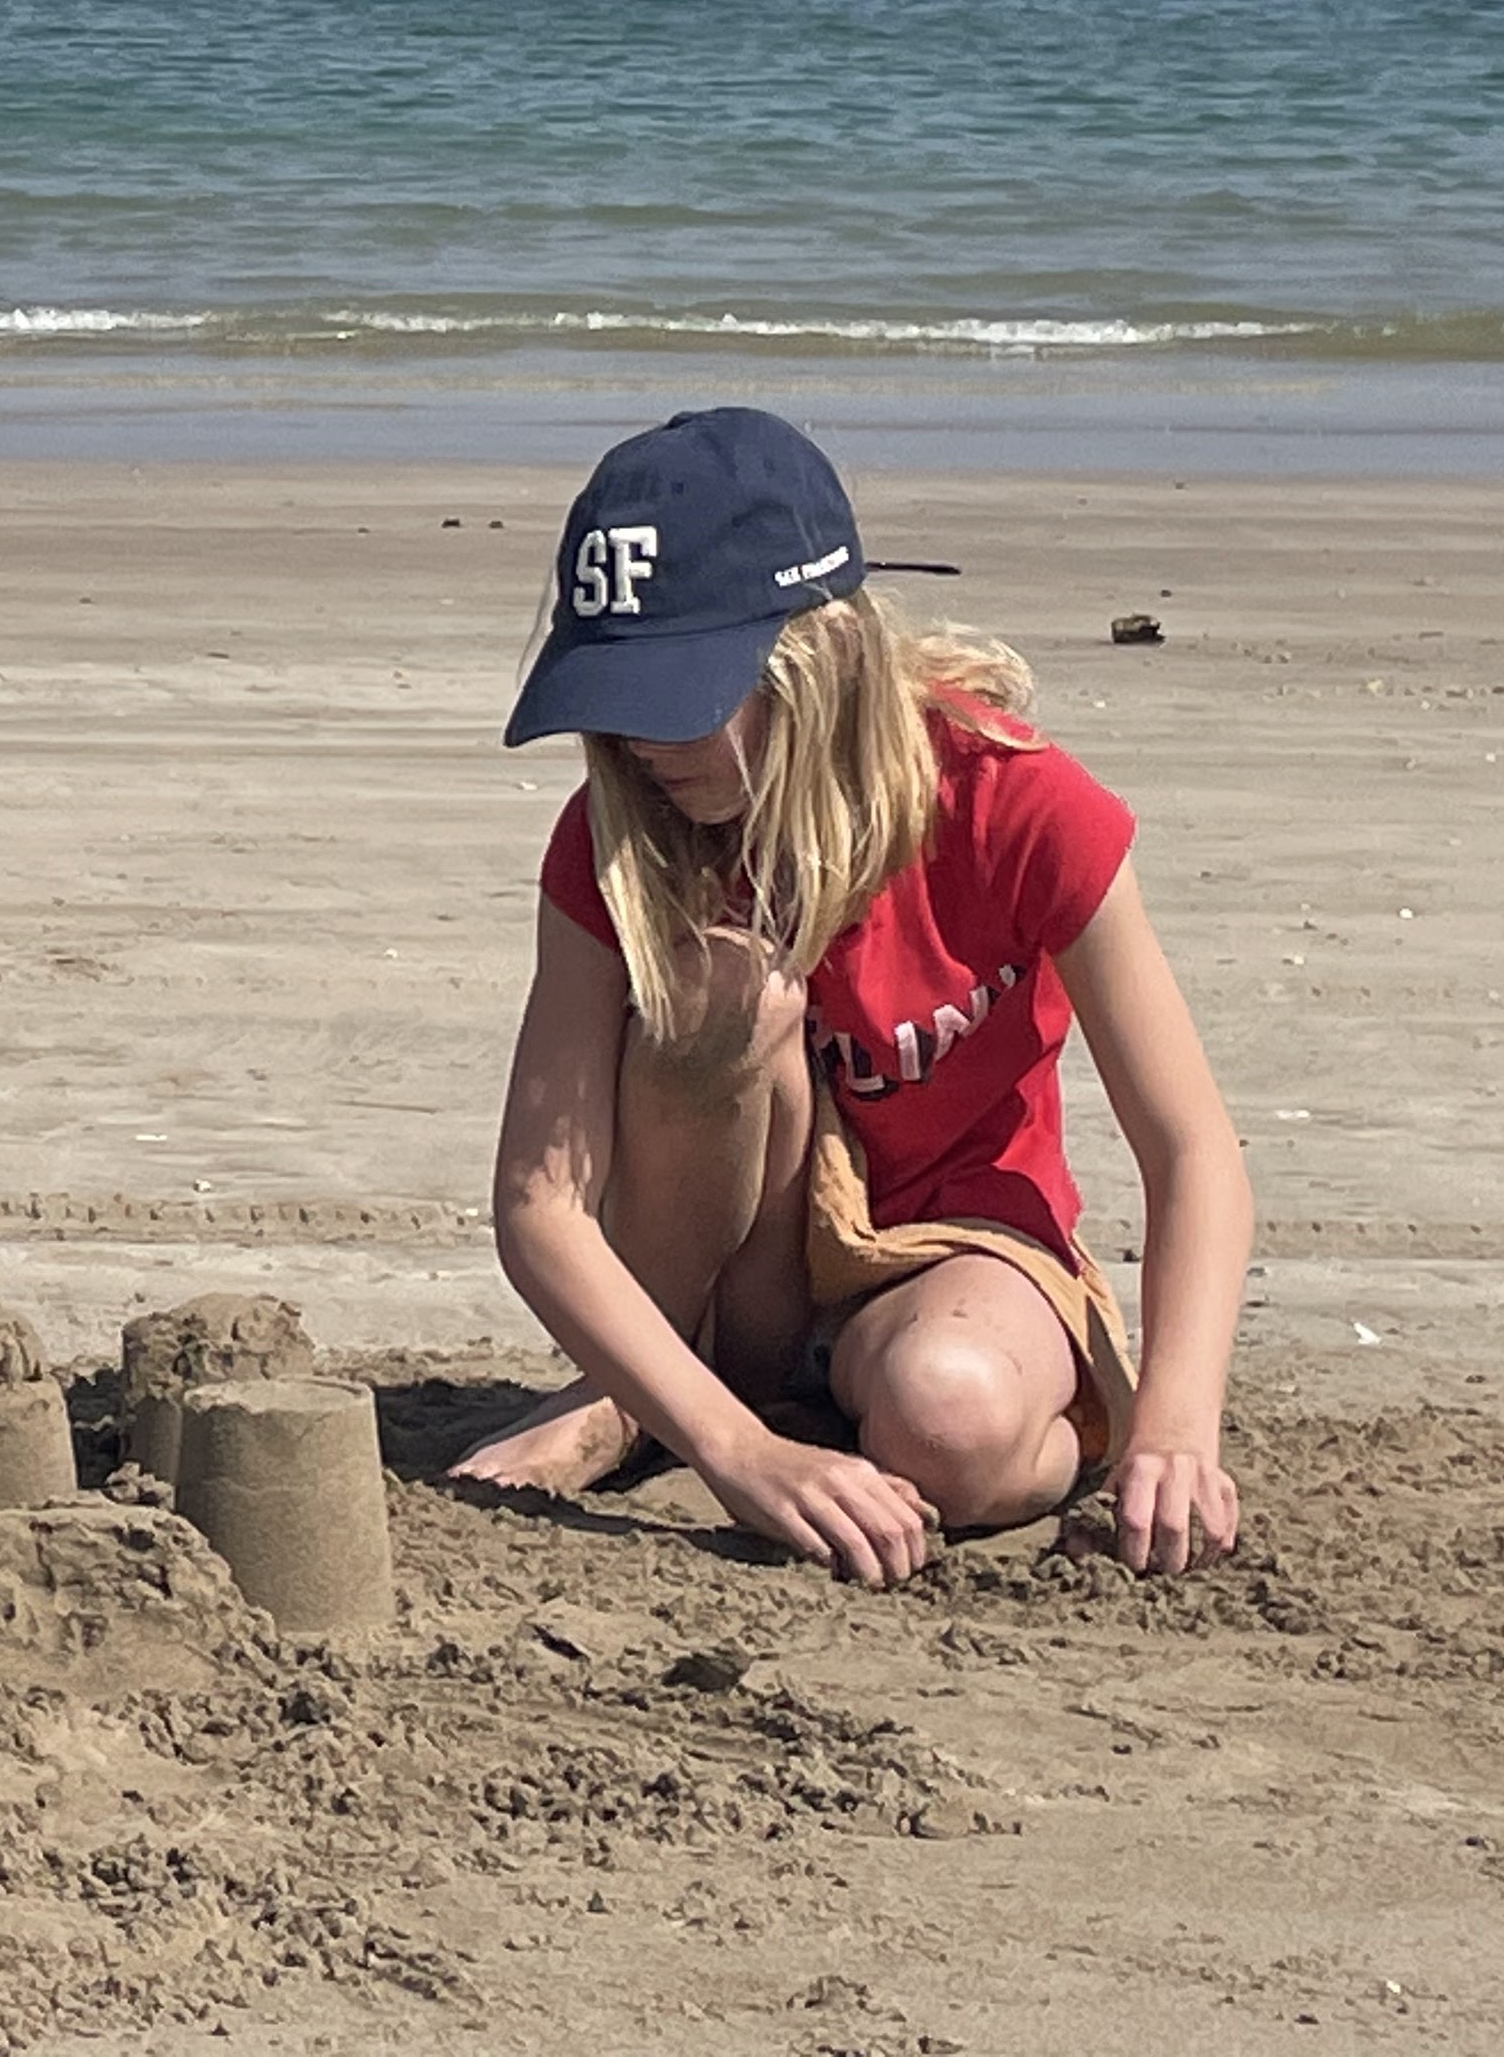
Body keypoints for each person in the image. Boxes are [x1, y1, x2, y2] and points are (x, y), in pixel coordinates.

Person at [447, 408, 1251, 1585]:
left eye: (672, 696)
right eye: (610, 694)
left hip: (956, 1254)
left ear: (814, 656)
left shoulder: (1014, 803)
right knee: (727, 994)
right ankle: (652, 1390)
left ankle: (755, 1404)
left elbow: (1192, 1149)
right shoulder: (620, 838)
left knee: (950, 1423)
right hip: (727, 1277)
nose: (632, 742)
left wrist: (1175, 1432)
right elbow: (540, 1203)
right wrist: (738, 1456)